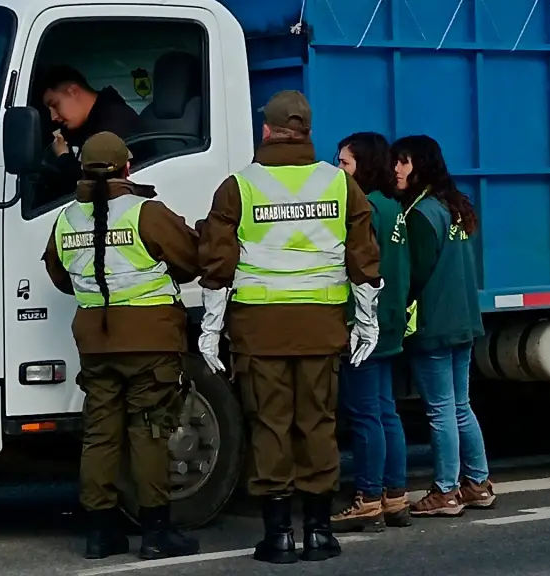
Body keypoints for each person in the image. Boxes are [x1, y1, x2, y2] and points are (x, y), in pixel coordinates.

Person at [196, 90, 382, 564]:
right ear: (307, 132)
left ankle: (278, 537)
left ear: (267, 130)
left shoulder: (239, 186)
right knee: (318, 423)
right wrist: (367, 321)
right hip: (321, 327)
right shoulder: (339, 184)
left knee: (270, 424)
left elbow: (217, 264)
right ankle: (319, 533)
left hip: (260, 330)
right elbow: (363, 258)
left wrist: (210, 330)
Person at [41, 131, 202, 560]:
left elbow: (59, 276)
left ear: (82, 170)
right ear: (127, 168)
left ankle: (100, 534)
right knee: (150, 432)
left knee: (100, 435)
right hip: (150, 340)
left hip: (95, 342)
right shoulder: (144, 212)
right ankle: (155, 533)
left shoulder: (66, 219)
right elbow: (190, 260)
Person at [392, 134, 495, 517]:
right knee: (460, 406)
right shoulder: (453, 207)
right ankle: (478, 484)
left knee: (439, 411)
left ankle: (445, 490)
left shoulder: (420, 213)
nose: (395, 169)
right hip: (463, 319)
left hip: (432, 323)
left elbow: (414, 274)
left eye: (403, 162)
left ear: (420, 165)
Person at [329, 132, 412, 533]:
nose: (338, 170)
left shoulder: (364, 208)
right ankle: (395, 496)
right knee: (385, 410)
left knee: (365, 415)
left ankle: (367, 497)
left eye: (344, 163)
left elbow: (357, 268)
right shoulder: (393, 206)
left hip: (365, 321)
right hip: (391, 318)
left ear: (363, 165)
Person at [37, 65, 146, 202]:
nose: (53, 116)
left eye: (55, 105)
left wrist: (63, 158)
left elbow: (99, 184)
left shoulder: (116, 123)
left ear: (73, 91)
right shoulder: (82, 126)